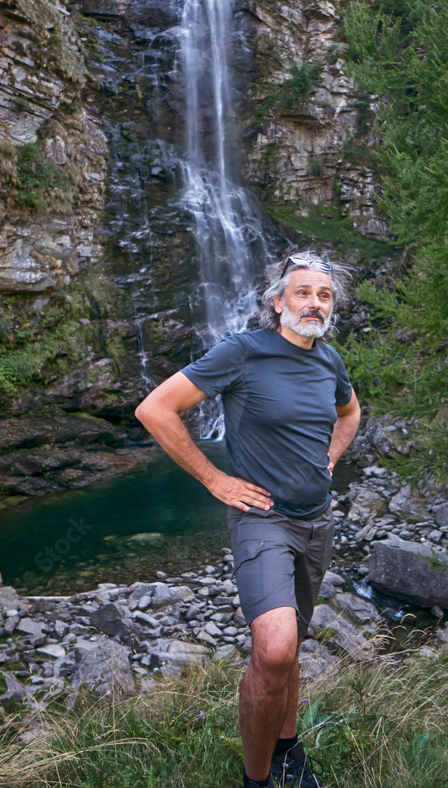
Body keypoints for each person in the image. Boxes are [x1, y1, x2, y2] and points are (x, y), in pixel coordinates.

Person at [135, 251, 361, 788]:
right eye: (303, 292)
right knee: (276, 646)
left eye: (324, 295)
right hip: (264, 520)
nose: (314, 302)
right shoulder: (243, 352)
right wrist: (215, 479)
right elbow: (155, 409)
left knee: (293, 644)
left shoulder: (329, 360)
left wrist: (329, 458)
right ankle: (256, 779)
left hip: (317, 520)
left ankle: (288, 751)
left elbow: (350, 412)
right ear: (277, 302)